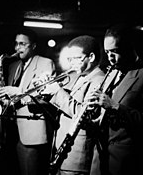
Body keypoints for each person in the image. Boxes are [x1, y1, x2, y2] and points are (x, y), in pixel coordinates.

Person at [87, 23, 143, 175]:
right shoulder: (110, 74)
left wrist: (115, 106)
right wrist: (96, 118)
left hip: (127, 163)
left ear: (129, 47)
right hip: (101, 159)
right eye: (107, 52)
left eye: (115, 51)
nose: (110, 57)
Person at [37, 35, 105, 175]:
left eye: (74, 58)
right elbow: (65, 103)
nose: (71, 63)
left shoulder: (99, 79)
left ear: (90, 57)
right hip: (64, 153)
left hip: (77, 156)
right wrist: (45, 89)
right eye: (69, 59)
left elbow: (84, 114)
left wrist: (57, 91)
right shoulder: (80, 76)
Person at [0, 27, 56, 175]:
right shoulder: (13, 66)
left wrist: (18, 92)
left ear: (34, 46)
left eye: (23, 44)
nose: (18, 48)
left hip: (31, 132)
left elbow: (45, 96)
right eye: (16, 44)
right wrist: (4, 101)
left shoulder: (45, 63)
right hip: (11, 131)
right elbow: (13, 99)